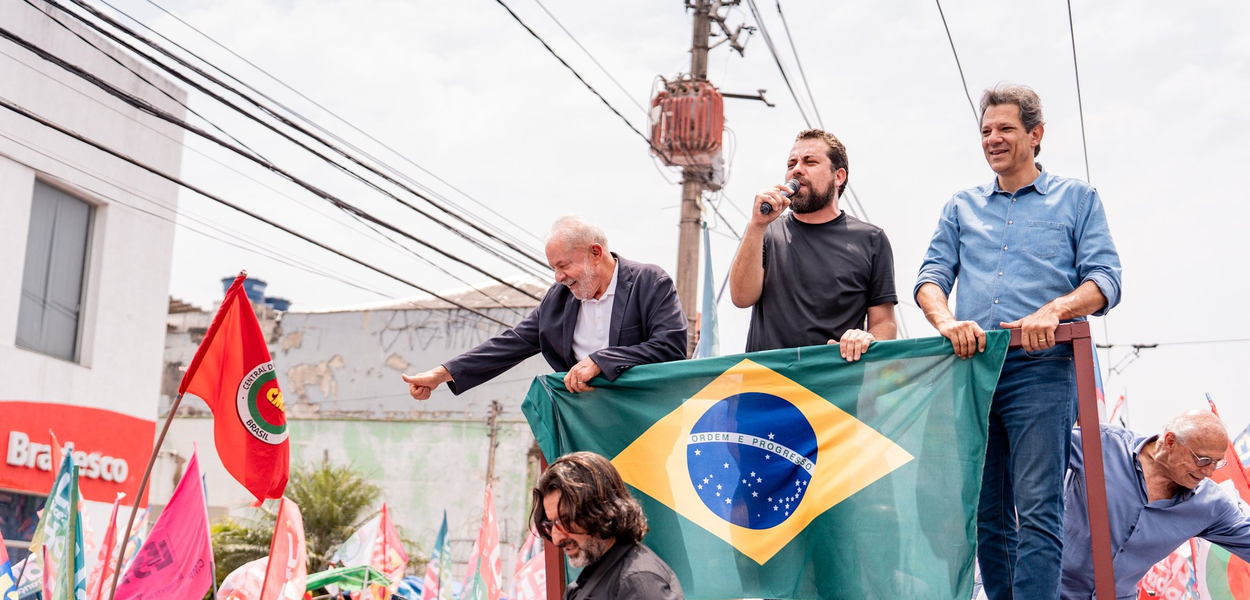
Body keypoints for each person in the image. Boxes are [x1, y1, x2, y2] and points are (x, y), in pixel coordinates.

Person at [914, 83, 1123, 599]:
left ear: (1036, 135)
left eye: (1005, 128)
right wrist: (945, 322)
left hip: (1043, 370)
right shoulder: (960, 207)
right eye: (986, 131)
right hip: (975, 374)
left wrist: (1054, 310)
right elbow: (931, 278)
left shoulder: (1078, 199)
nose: (993, 139)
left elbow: (1106, 280)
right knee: (988, 514)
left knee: (1036, 509)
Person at [401, 215, 687, 397]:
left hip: (644, 416)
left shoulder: (649, 281)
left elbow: (670, 348)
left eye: (563, 265)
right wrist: (439, 375)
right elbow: (509, 344)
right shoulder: (559, 299)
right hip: (587, 418)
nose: (558, 277)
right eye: (553, 268)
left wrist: (601, 361)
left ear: (595, 254)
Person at [727, 129, 897, 360]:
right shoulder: (765, 232)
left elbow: (884, 323)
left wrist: (867, 338)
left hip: (833, 387)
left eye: (810, 162)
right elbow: (741, 298)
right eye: (791, 163)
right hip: (765, 386)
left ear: (838, 177)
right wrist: (756, 226)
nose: (796, 170)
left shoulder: (871, 240)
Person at [1062, 410, 1250, 599]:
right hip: (1047, 587)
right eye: (1203, 460)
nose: (1209, 472)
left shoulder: (1210, 504)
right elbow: (1039, 453)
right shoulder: (1104, 444)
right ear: (1170, 442)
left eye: (1217, 463)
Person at [531, 451, 684, 600]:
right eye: (550, 525)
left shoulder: (638, 581)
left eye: (565, 521)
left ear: (600, 510)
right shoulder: (584, 585)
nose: (557, 538)